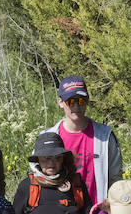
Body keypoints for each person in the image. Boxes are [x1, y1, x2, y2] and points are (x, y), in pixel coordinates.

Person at [44, 75, 122, 203]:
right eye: (70, 101)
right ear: (60, 102)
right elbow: (38, 176)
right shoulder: (48, 137)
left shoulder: (105, 136)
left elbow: (115, 178)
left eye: (81, 101)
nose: (76, 106)